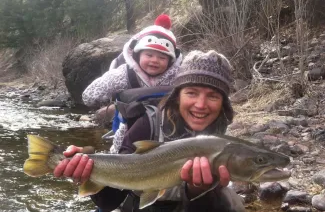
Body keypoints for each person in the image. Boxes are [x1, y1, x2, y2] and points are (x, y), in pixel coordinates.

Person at [54, 50, 246, 212]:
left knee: (232, 202)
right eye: (191, 93)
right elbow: (109, 202)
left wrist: (199, 192)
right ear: (177, 96)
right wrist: (85, 173)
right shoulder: (148, 125)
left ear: (223, 104)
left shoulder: (223, 140)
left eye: (213, 96)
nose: (201, 105)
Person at [82, 14, 182, 153]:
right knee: (120, 160)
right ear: (137, 54)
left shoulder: (178, 77)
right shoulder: (123, 74)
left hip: (167, 136)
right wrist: (106, 99)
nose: (154, 60)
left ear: (171, 61)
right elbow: (88, 96)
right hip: (126, 135)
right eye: (149, 55)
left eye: (162, 57)